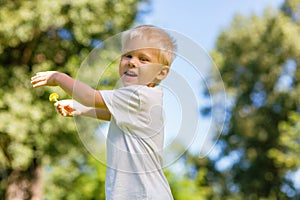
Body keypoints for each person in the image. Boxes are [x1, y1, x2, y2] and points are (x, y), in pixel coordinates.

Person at [31, 25, 176, 200]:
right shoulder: (142, 99)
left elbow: (88, 96)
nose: (132, 61)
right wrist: (80, 109)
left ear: (161, 73)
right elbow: (112, 115)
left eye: (143, 59)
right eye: (128, 55)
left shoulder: (140, 95)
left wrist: (58, 78)